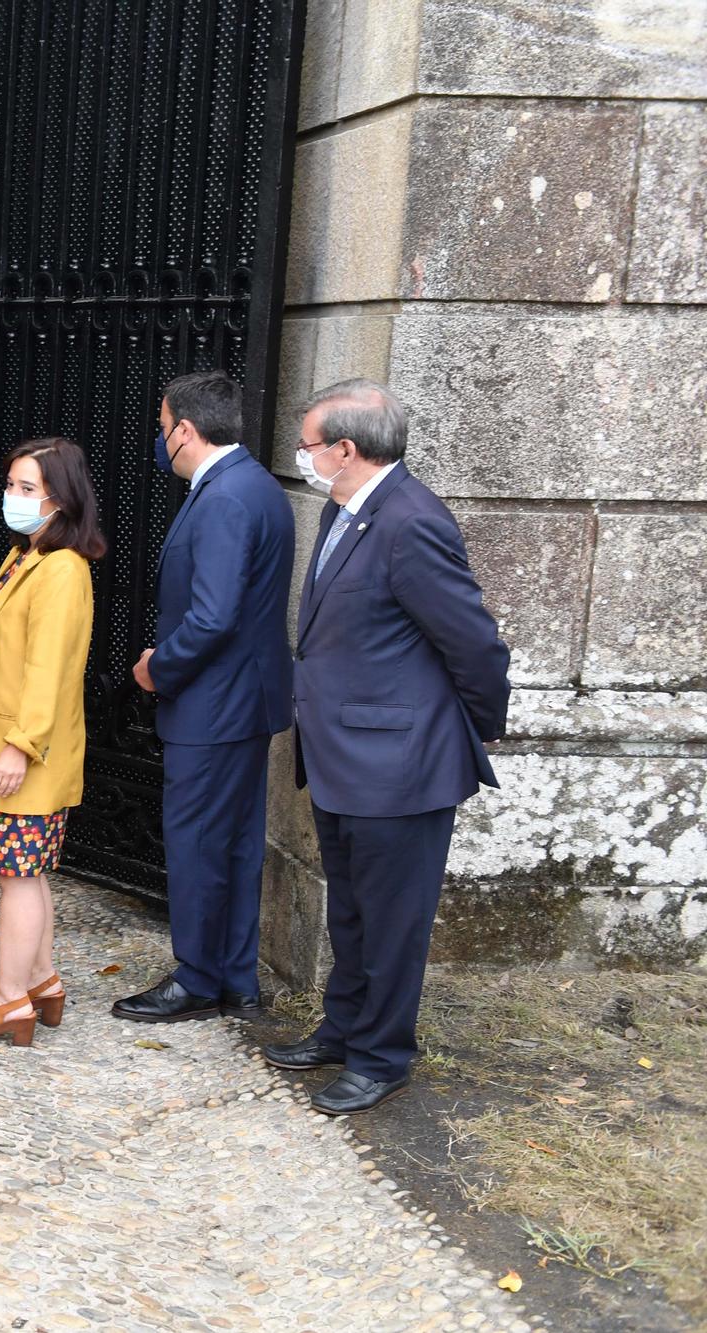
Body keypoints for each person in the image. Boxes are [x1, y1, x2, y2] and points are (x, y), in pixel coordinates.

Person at [264, 379, 509, 1115]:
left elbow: (475, 644)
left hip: (401, 763)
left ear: (345, 447)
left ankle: (382, 1056)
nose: (302, 457)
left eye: (307, 444)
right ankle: (343, 1028)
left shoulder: (410, 520)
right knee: (354, 911)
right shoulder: (348, 509)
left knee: (393, 920)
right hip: (345, 755)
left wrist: (474, 725)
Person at [114, 370, 294, 1025]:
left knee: (196, 843)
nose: (161, 441)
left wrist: (159, 667)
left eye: (163, 429)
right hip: (247, 701)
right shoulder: (260, 485)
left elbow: (214, 616)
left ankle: (197, 978)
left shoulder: (222, 497)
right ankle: (236, 977)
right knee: (238, 844)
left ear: (186, 430)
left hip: (212, 705)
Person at [0, 439, 105, 1046]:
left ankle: (10, 1000)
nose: (13, 497)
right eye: (11, 485)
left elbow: (49, 670)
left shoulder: (61, 569)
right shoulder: (27, 555)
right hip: (17, 743)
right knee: (26, 872)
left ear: (61, 499)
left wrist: (20, 744)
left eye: (27, 489)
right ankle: (42, 980)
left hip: (27, 749)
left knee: (17, 873)